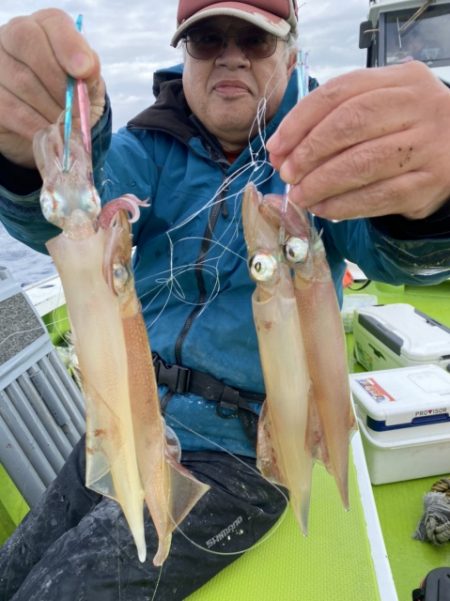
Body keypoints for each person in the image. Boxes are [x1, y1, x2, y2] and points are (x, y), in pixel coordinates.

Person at [0, 0, 450, 599]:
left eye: (256, 40)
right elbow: (61, 216)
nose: (231, 54)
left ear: (291, 51)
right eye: (208, 38)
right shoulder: (148, 147)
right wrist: (30, 151)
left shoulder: (330, 151)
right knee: (14, 568)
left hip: (239, 461)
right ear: (184, 54)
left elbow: (401, 256)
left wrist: (430, 200)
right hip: (130, 421)